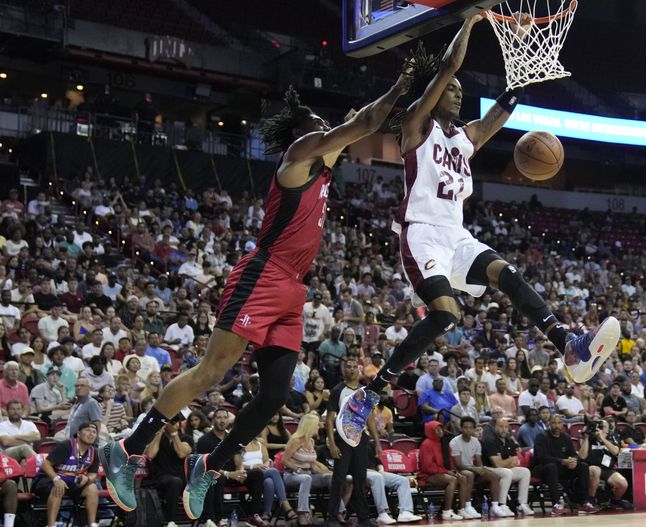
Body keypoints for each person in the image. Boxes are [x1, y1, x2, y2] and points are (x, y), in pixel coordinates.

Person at [100, 74, 412, 519]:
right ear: (301, 133)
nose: (325, 128)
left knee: (273, 396)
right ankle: (128, 449)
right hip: (264, 275)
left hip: (293, 289)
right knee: (211, 371)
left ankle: (210, 463)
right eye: (317, 123)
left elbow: (360, 124)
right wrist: (399, 85)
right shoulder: (298, 156)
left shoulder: (322, 160)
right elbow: (364, 123)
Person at [336, 13, 619, 447]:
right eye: (450, 89)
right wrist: (471, 20)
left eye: (460, 91)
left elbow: (502, 110)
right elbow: (447, 67)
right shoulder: (416, 127)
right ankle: (369, 396)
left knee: (506, 273)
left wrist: (523, 59)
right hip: (421, 234)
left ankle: (568, 345)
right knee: (446, 315)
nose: (457, 93)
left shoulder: (465, 139)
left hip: (456, 236)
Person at [326, 358, 379, 527]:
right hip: (342, 437)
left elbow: (370, 418)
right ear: (343, 370)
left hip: (361, 438)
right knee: (339, 478)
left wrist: (377, 442)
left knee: (360, 478)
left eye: (354, 367)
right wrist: (332, 444)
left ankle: (363, 518)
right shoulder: (337, 390)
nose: (351, 369)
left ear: (359, 369)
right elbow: (329, 420)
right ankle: (332, 518)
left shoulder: (366, 391)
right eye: (348, 367)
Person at [32, 422, 100, 527]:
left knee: (92, 488)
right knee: (59, 487)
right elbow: (46, 464)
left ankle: (92, 524)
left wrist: (87, 478)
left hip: (71, 482)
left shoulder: (94, 452)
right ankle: (51, 525)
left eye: (94, 432)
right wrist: (56, 479)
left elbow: (93, 474)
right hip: (46, 480)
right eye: (87, 430)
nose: (91, 434)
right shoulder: (66, 446)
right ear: (78, 433)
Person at [532, 415, 598, 515]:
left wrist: (573, 461)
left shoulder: (565, 437)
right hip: (542, 468)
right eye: (554, 423)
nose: (556, 426)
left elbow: (574, 454)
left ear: (563, 424)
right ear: (549, 424)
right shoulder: (541, 437)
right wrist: (563, 461)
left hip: (560, 468)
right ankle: (556, 504)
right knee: (551, 467)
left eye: (559, 423)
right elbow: (543, 457)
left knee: (583, 466)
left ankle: (583, 502)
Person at [281, 413, 332, 527]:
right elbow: (284, 460)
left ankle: (337, 512)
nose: (319, 427)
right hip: (291, 475)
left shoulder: (312, 442)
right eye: (317, 425)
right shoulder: (296, 440)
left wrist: (327, 472)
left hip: (308, 475)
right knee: (306, 478)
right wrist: (299, 470)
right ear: (310, 426)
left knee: (331, 478)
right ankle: (302, 512)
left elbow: (312, 465)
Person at [145, 414, 193, 526]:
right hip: (161, 477)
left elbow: (181, 453)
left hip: (182, 478)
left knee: (205, 480)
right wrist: (160, 430)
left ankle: (209, 519)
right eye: (169, 422)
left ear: (179, 424)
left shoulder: (186, 438)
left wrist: (174, 434)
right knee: (173, 482)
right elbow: (150, 454)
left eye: (175, 422)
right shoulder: (156, 437)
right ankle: (171, 521)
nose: (172, 425)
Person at [243, 429, 297, 527]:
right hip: (247, 474)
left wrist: (264, 466)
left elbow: (266, 460)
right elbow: (237, 463)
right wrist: (254, 466)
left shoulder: (260, 443)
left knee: (269, 482)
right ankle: (286, 506)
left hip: (262, 473)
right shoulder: (239, 444)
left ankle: (266, 514)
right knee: (273, 471)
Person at [417, 420, 471, 521]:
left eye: (441, 429)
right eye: (437, 430)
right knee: (452, 480)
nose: (440, 431)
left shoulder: (444, 443)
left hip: (442, 472)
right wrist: (446, 472)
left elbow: (450, 461)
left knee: (462, 478)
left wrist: (453, 471)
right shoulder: (426, 444)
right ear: (430, 431)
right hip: (427, 475)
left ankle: (462, 509)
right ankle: (447, 511)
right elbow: (427, 467)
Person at [449, 416, 501, 517]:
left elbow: (478, 462)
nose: (468, 430)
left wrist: (481, 469)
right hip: (459, 470)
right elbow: (458, 465)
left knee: (494, 476)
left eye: (470, 427)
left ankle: (495, 506)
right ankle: (467, 506)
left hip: (471, 468)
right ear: (461, 428)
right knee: (469, 474)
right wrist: (475, 469)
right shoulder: (454, 442)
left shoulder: (476, 441)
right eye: (465, 427)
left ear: (473, 428)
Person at [482, 418, 534, 516]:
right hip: (488, 469)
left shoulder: (509, 441)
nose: (504, 429)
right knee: (507, 472)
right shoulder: (490, 441)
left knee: (525, 471)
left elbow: (515, 462)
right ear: (495, 428)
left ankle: (522, 504)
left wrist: (505, 461)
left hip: (503, 469)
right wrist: (508, 461)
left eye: (506, 427)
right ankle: (502, 504)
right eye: (501, 426)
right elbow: (497, 464)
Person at [578, 419, 632, 509]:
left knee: (623, 483)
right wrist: (587, 437)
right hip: (591, 468)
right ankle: (590, 500)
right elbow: (582, 456)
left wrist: (602, 438)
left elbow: (615, 452)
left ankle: (614, 501)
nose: (601, 429)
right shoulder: (590, 439)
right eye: (599, 427)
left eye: (603, 427)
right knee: (596, 470)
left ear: (607, 429)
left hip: (607, 469)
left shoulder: (611, 438)